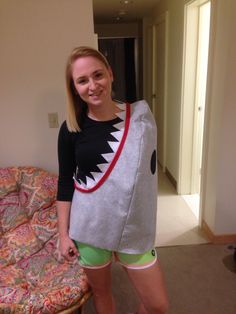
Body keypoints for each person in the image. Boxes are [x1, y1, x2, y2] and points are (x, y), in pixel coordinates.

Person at [56, 46, 169, 314]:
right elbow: (64, 183)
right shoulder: (72, 128)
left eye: (98, 75)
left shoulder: (140, 120)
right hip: (90, 228)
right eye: (82, 80)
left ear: (111, 74)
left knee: (157, 305)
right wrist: (63, 235)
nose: (92, 86)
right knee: (103, 295)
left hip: (133, 228)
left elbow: (146, 177)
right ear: (74, 87)